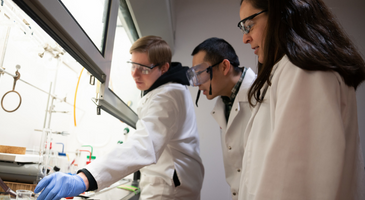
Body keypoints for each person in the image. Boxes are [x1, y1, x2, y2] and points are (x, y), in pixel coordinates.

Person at [34, 36, 204, 200]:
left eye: (144, 68)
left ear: (164, 68)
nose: (135, 74)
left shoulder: (168, 95)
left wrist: (85, 178)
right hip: (169, 181)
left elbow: (144, 145)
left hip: (168, 190)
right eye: (133, 66)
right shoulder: (165, 89)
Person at [237, 0, 365, 199]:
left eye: (249, 25)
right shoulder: (287, 70)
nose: (245, 38)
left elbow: (296, 186)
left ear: (281, 13)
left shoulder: (305, 72)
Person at [187, 37, 255, 199]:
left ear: (224, 66)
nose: (196, 84)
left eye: (200, 73)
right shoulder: (224, 104)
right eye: (193, 76)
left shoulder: (262, 97)